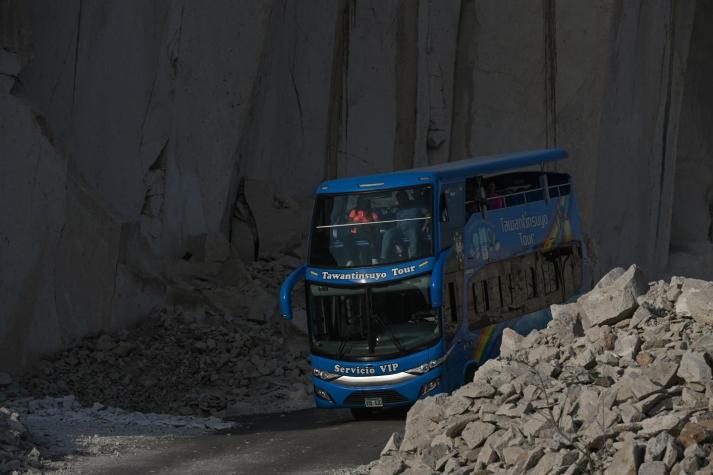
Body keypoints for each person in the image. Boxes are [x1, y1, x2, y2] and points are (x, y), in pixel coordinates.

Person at [380, 190, 430, 261]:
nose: (400, 200)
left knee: (413, 233)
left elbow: (428, 215)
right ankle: (383, 258)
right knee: (388, 233)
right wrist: (397, 241)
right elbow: (395, 220)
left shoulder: (417, 205)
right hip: (400, 229)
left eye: (402, 198)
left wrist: (425, 226)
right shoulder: (398, 208)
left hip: (412, 228)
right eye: (399, 199)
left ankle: (413, 258)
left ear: (406, 197)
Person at [344, 197, 379, 265]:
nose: (363, 203)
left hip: (368, 232)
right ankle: (349, 260)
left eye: (365, 202)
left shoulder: (371, 212)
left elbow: (377, 223)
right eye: (362, 202)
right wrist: (356, 223)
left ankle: (374, 259)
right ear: (359, 202)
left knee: (373, 238)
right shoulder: (354, 211)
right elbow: (348, 223)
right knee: (346, 239)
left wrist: (369, 224)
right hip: (355, 233)